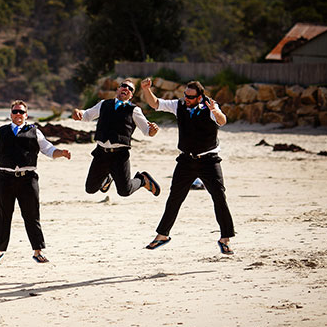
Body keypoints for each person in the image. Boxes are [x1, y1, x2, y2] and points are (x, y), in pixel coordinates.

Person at [0, 100, 71, 265]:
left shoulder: (34, 131)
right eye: (15, 112)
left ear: (26, 115)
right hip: (4, 178)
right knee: (2, 216)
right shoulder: (1, 131)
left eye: (21, 112)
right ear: (10, 115)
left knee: (32, 215)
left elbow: (49, 150)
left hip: (28, 179)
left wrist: (62, 153)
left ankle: (38, 251)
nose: (18, 114)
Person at [140, 78, 236, 255]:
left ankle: (225, 239)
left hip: (209, 160)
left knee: (219, 197)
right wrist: (146, 89)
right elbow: (155, 104)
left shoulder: (210, 107)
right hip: (186, 161)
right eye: (185, 95)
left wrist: (214, 110)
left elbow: (222, 121)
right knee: (175, 198)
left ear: (200, 97)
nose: (186, 99)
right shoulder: (179, 105)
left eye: (190, 97)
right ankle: (162, 235)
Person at [71, 79, 161, 198]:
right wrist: (77, 112)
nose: (126, 89)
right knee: (90, 189)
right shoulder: (104, 104)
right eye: (124, 86)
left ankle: (142, 179)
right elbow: (86, 115)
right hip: (101, 153)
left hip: (120, 156)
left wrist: (153, 130)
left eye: (130, 89)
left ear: (131, 95)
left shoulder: (134, 110)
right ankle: (108, 179)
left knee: (125, 191)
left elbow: (147, 131)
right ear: (118, 89)